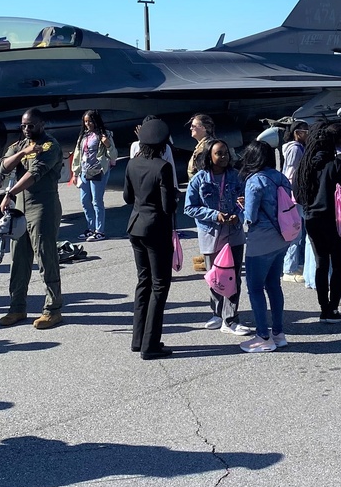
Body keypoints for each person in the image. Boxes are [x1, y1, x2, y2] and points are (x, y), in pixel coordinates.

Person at [0, 108, 65, 329]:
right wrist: (22, 153)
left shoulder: (49, 146)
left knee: (46, 258)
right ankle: (17, 307)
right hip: (21, 210)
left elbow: (34, 173)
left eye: (31, 125)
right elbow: (3, 165)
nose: (27, 129)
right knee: (18, 260)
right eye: (24, 125)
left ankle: (52, 309)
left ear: (42, 124)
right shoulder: (21, 145)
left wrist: (10, 193)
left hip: (42, 207)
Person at [294, 122, 341, 323]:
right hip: (336, 221)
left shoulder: (304, 168)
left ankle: (323, 307)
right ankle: (333, 308)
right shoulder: (337, 165)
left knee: (321, 264)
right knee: (339, 266)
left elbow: (297, 195)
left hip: (312, 220)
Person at [123, 119, 178, 360]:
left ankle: (138, 339)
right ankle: (151, 343)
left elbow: (127, 197)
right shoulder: (163, 167)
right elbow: (168, 206)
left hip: (135, 226)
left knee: (143, 282)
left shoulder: (133, 164)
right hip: (156, 229)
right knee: (159, 285)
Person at [185, 138, 252, 335]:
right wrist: (215, 215)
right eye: (218, 153)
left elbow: (246, 203)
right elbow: (189, 208)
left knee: (232, 277)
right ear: (209, 156)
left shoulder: (236, 176)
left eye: (225, 153)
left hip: (234, 234)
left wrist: (237, 216)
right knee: (214, 277)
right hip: (210, 235)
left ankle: (230, 320)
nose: (223, 157)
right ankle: (217, 313)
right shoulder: (199, 179)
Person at [238, 141, 293, 352]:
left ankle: (263, 335)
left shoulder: (254, 181)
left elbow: (250, 217)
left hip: (261, 240)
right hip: (282, 236)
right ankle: (278, 333)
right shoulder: (280, 177)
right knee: (273, 285)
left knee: (255, 287)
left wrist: (241, 209)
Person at [70, 110, 118, 242]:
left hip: (98, 171)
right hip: (85, 171)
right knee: (85, 201)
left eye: (90, 121)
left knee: (97, 201)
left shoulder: (105, 135)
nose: (88, 124)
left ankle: (99, 230)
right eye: (85, 121)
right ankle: (90, 227)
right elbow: (77, 154)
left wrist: (107, 144)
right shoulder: (83, 136)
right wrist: (75, 173)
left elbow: (113, 155)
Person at [280, 121, 308, 282]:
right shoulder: (296, 149)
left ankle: (295, 263)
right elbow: (291, 172)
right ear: (298, 133)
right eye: (306, 131)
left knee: (299, 230)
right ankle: (289, 269)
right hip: (294, 196)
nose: (308, 134)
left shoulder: (295, 147)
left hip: (293, 195)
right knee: (296, 232)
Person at [130, 115, 178, 188]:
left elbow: (132, 168)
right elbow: (171, 170)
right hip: (158, 184)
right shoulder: (165, 147)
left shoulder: (135, 146)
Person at [187, 113, 216, 180]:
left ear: (203, 128)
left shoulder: (205, 147)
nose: (191, 128)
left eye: (193, 126)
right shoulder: (204, 145)